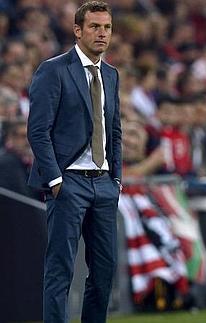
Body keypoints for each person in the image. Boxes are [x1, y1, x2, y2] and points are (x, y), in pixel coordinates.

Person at [26, 2, 122, 322]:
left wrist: (116, 178)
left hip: (104, 184)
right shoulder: (53, 69)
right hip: (69, 182)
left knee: (104, 272)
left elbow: (115, 131)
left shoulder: (110, 74)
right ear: (78, 30)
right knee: (60, 271)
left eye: (106, 27)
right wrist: (55, 181)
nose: (102, 33)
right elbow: (38, 130)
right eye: (94, 27)